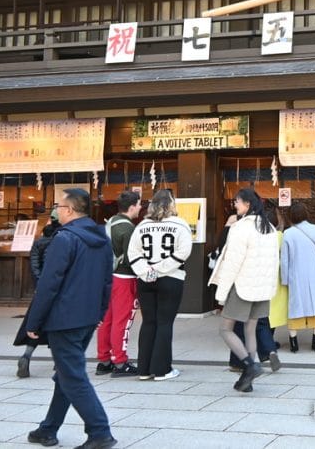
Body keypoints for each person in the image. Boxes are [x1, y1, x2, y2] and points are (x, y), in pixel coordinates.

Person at [24, 188, 117, 449]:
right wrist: (99, 312)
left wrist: (34, 321)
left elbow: (48, 284)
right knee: (65, 374)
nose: (55, 211)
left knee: (73, 376)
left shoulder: (64, 239)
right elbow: (107, 282)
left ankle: (100, 432)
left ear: (69, 210)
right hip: (87, 317)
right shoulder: (101, 238)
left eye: (58, 206)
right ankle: (48, 428)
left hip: (64, 318)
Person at [209, 188, 279, 393]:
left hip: (242, 286)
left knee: (225, 329)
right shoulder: (270, 229)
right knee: (250, 329)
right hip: (262, 288)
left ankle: (250, 364)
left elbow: (232, 263)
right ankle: (247, 377)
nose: (235, 206)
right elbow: (274, 261)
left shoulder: (240, 228)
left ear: (247, 204)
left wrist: (221, 293)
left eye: (237, 202)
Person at [127, 189, 192, 382]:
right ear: (172, 204)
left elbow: (133, 252)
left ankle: (144, 369)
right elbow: (183, 252)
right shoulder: (180, 225)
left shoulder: (142, 226)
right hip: (171, 278)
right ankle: (162, 369)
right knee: (165, 322)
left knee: (148, 322)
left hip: (145, 279)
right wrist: (161, 269)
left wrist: (147, 271)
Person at [95, 191, 142, 377]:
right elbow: (132, 259)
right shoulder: (128, 229)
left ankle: (104, 360)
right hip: (125, 278)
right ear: (131, 207)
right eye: (139, 204)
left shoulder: (110, 223)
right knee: (122, 321)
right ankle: (120, 362)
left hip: (108, 277)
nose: (140, 208)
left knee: (107, 320)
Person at [15, 212, 59, 377]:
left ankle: (26, 355)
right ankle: (58, 361)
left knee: (36, 323)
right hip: (59, 289)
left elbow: (34, 266)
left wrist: (41, 284)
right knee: (57, 325)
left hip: (42, 290)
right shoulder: (64, 240)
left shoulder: (39, 242)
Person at [281, 201, 315, 352]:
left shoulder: (288, 233)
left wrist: (285, 278)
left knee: (295, 307)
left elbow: (285, 259)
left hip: (296, 274)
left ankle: (294, 342)